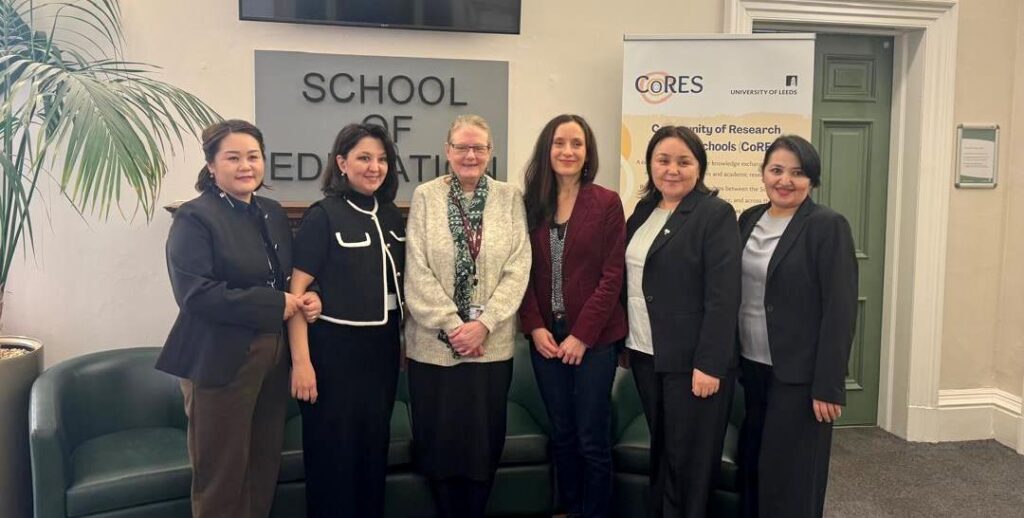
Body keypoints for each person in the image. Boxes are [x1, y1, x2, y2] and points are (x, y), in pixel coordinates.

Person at [157, 119, 321, 518]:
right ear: (212, 166)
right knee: (222, 476)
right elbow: (196, 294)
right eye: (233, 158)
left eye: (253, 156)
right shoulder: (194, 217)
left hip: (273, 358)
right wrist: (275, 304)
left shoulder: (272, 212)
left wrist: (309, 297)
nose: (246, 166)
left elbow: (286, 278)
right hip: (220, 360)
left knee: (263, 467)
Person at [403, 114, 532, 518]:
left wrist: (484, 324)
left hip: (490, 349)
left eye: (478, 148)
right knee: (438, 443)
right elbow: (416, 269)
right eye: (462, 147)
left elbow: (519, 266)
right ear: (448, 151)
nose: (470, 155)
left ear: (490, 152)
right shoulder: (425, 196)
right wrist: (454, 325)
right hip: (433, 350)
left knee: (482, 445)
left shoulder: (510, 197)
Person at [286, 123, 405, 518]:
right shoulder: (323, 215)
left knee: (373, 455)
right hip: (332, 355)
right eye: (364, 158)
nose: (375, 167)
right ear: (341, 162)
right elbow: (297, 294)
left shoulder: (391, 216)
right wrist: (302, 363)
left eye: (382, 159)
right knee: (332, 460)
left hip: (382, 352)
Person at [736, 135, 858, 518]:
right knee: (753, 468)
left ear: (812, 180)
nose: (785, 180)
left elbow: (839, 310)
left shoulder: (827, 226)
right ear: (763, 174)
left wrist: (829, 385)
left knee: (792, 478)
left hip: (800, 377)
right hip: (749, 368)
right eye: (776, 170)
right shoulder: (748, 219)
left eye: (798, 172)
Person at [623, 125, 741, 518]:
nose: (672, 169)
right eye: (663, 160)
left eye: (683, 161)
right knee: (664, 453)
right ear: (650, 164)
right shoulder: (644, 211)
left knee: (688, 464)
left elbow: (723, 297)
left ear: (699, 167)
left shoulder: (714, 214)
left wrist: (709, 364)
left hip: (692, 363)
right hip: (646, 354)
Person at [518, 114, 626, 518]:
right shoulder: (529, 204)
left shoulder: (606, 202)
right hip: (546, 339)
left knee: (591, 436)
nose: (568, 151)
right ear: (547, 150)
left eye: (576, 143)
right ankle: (569, 507)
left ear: (587, 152)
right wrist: (534, 326)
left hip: (595, 340)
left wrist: (582, 335)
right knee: (562, 433)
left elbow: (612, 276)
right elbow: (519, 272)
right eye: (560, 143)